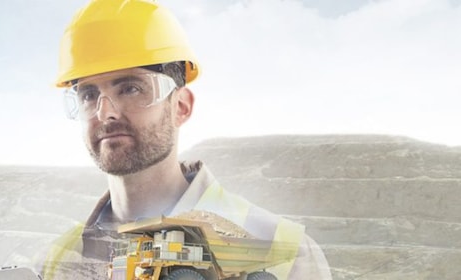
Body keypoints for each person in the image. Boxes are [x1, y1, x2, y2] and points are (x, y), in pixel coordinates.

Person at [36, 0, 332, 279]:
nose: (105, 112)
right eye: (89, 95)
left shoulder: (284, 253)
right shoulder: (58, 260)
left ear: (181, 106)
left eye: (130, 88)